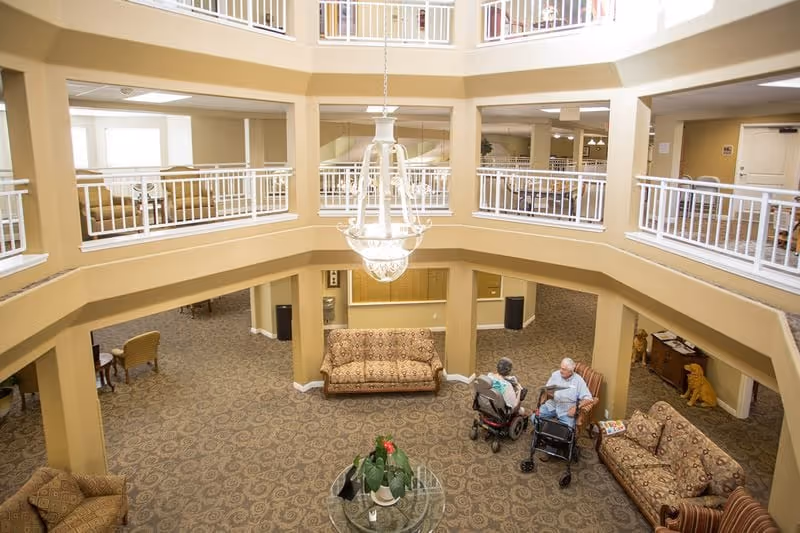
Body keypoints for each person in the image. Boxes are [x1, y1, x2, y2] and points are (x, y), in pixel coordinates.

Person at [533, 357, 592, 428]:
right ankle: (547, 431)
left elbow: (588, 398)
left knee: (569, 428)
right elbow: (547, 388)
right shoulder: (555, 374)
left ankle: (550, 431)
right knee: (534, 417)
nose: (560, 371)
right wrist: (549, 392)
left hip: (566, 410)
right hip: (553, 405)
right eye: (560, 368)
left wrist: (576, 408)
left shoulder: (578, 381)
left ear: (571, 371)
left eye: (563, 369)